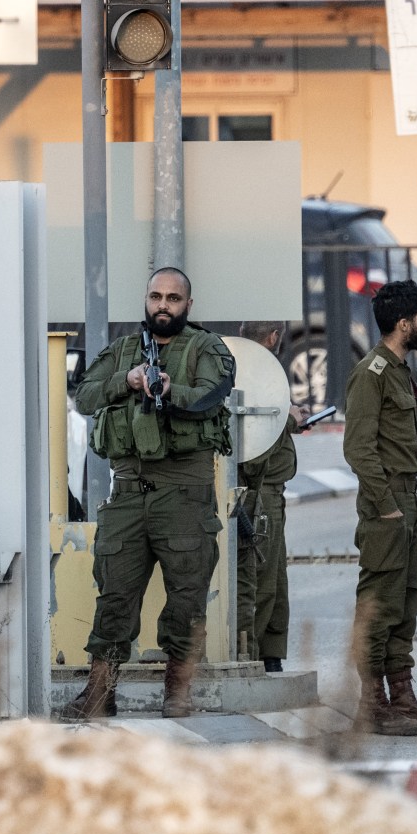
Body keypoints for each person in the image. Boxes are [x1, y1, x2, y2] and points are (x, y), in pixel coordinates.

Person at [61, 267, 236, 721]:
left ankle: (178, 691)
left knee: (186, 598)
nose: (163, 305)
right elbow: (85, 396)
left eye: (173, 298)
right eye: (156, 296)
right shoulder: (123, 351)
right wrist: (128, 380)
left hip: (184, 495)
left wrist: (170, 389)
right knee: (114, 596)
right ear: (146, 299)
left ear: (188, 305)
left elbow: (211, 394)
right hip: (127, 495)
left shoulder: (206, 348)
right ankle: (100, 692)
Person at [341, 279, 417, 736]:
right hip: (387, 502)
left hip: (407, 498)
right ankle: (371, 704)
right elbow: (358, 448)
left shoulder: (398, 370)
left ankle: (402, 695)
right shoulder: (371, 373)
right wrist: (386, 506)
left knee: (405, 602)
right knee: (378, 604)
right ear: (404, 323)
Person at [234, 322, 302, 671]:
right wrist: (289, 419)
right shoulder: (258, 372)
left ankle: (270, 655)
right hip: (261, 490)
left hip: (270, 489)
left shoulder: (245, 366)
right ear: (274, 336)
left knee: (275, 580)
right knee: (262, 582)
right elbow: (256, 438)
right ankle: (253, 657)